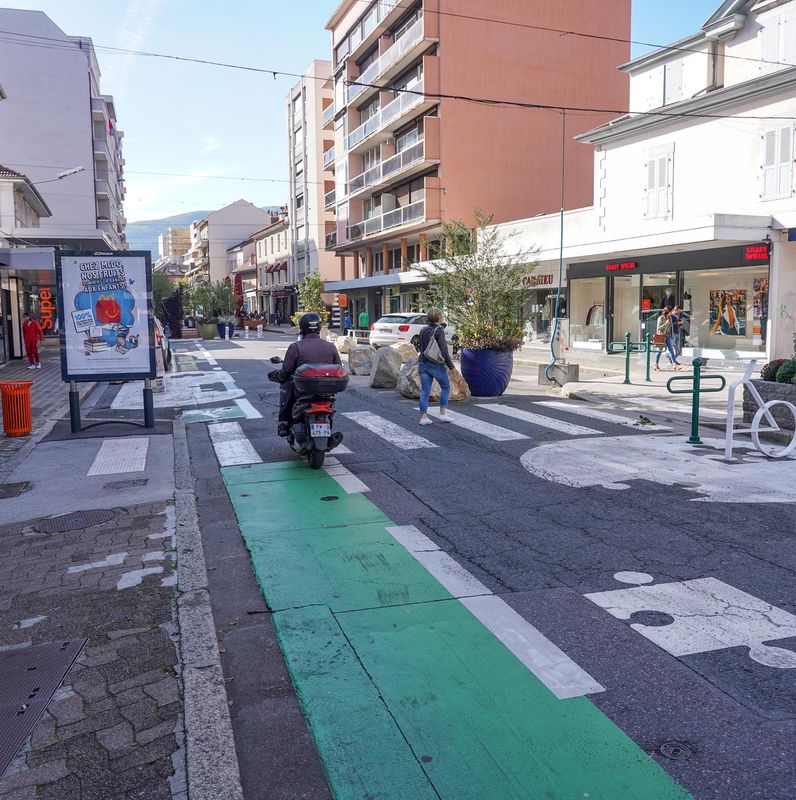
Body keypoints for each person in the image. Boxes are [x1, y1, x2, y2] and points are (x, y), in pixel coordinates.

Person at [274, 312, 341, 437]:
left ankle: (283, 422)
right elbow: (338, 367)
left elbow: (286, 370)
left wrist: (280, 377)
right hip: (327, 391)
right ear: (319, 328)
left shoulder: (295, 347)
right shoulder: (331, 347)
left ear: (301, 328)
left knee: (286, 387)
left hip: (302, 391)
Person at [418, 309, 455, 426]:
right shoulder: (439, 330)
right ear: (439, 318)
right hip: (435, 364)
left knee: (425, 391)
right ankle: (442, 413)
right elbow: (444, 350)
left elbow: (420, 347)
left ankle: (423, 418)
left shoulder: (422, 330)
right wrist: (451, 366)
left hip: (423, 363)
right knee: (446, 387)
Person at [654, 307, 681, 371]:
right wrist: (665, 324)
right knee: (659, 351)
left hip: (668, 336)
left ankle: (674, 364)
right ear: (667, 312)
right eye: (671, 312)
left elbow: (671, 328)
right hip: (662, 336)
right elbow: (658, 329)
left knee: (671, 350)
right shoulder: (660, 318)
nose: (671, 313)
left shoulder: (670, 318)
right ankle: (656, 364)